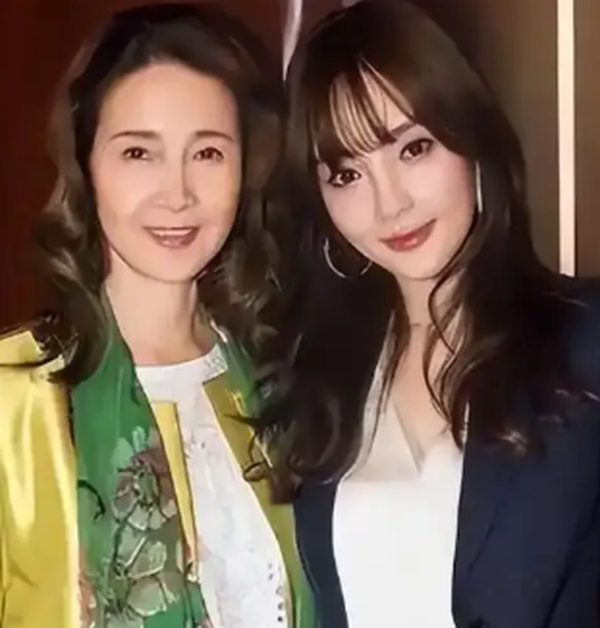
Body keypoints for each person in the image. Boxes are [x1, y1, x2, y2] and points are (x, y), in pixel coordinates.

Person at [259, 1, 600, 627]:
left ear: (472, 141)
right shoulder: (314, 378)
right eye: (346, 174)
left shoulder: (582, 342)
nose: (390, 204)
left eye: (414, 149)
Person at [0, 4, 315, 627]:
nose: (177, 195)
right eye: (139, 153)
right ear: (86, 166)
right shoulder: (16, 396)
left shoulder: (277, 381)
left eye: (208, 153)